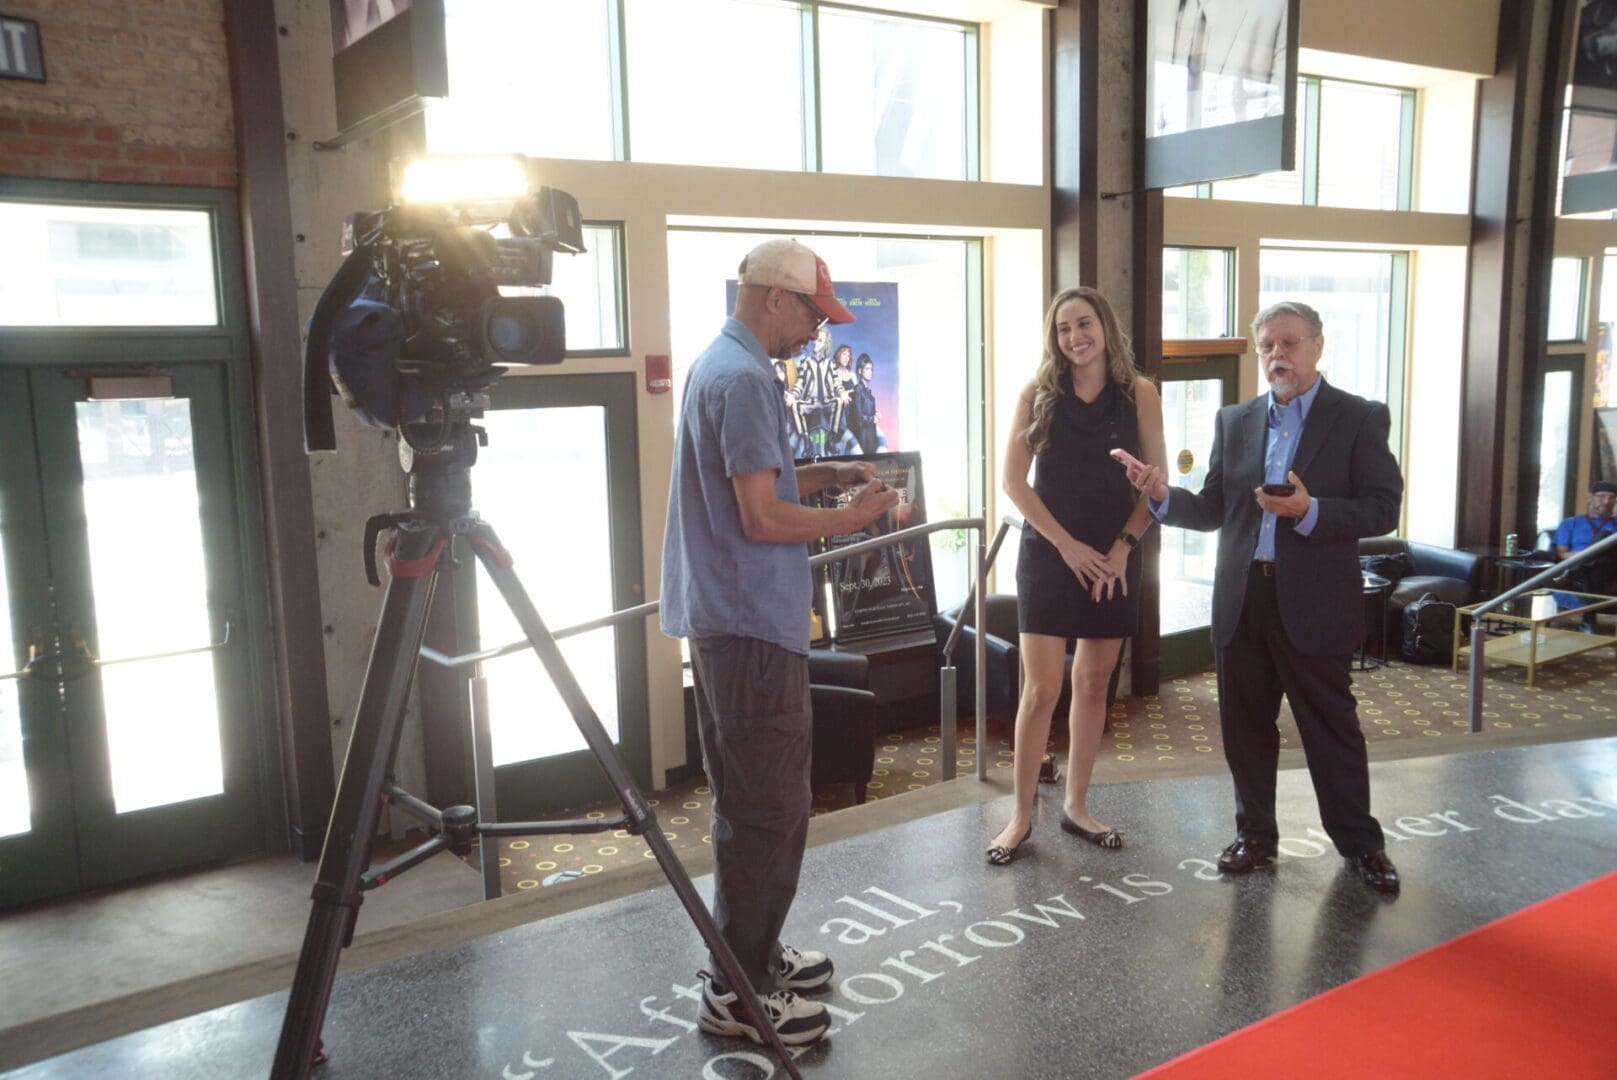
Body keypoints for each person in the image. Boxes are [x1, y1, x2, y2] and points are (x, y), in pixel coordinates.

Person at [661, 237, 900, 1047]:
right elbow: (761, 520)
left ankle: (749, 957)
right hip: (751, 626)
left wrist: (825, 476)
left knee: (749, 803)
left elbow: (749, 487)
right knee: (770, 809)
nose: (814, 333)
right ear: (772, 297)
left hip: (725, 618)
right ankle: (739, 988)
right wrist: (850, 519)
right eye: (810, 314)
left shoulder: (717, 366)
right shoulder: (744, 378)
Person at [1120, 300, 1405, 895]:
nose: (1279, 355)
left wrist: (1311, 510)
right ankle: (1256, 836)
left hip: (1316, 603)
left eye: (1291, 343)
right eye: (1269, 345)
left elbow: (1383, 507)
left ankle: (1361, 844)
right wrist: (1163, 494)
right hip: (1244, 598)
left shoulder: (1358, 417)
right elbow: (1214, 508)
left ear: (1318, 346)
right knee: (1244, 727)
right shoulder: (1236, 420)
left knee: (1331, 728)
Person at [985, 287, 1166, 866]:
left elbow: (1156, 487)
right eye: (1062, 329)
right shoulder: (1037, 393)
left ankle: (1077, 806)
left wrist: (1121, 549)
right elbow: (1013, 482)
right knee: (1041, 690)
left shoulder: (1140, 394)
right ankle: (1019, 817)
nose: (1073, 337)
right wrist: (1066, 547)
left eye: (1083, 323)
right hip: (1050, 555)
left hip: (1113, 559)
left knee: (1093, 684)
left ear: (1105, 327)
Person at [1551, 480, 1617, 628]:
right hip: (1592, 568)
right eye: (1601, 496)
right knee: (1598, 564)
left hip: (1612, 567)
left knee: (1607, 536)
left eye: (1612, 497)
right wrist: (1591, 556)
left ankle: (1576, 571)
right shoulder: (1570, 523)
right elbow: (1563, 554)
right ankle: (1588, 620)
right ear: (1590, 497)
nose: (1607, 501)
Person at [850, 352, 882, 454]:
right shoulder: (858, 389)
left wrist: (875, 414)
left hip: (870, 437)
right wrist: (872, 418)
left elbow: (867, 411)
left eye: (871, 369)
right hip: (862, 439)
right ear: (860, 370)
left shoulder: (868, 391)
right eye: (867, 369)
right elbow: (858, 419)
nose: (870, 372)